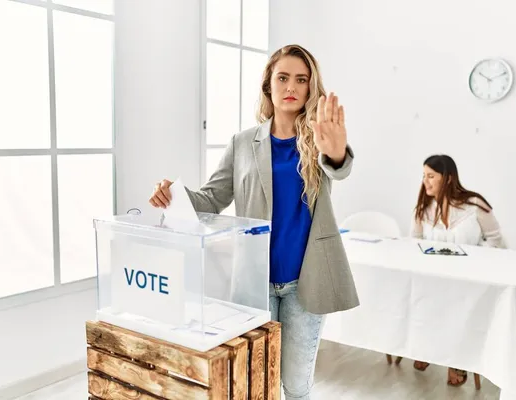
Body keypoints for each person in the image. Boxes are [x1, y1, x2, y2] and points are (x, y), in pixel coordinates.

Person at [149, 44, 359, 399]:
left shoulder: (319, 138)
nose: (291, 86)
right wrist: (175, 193)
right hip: (254, 281)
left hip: (306, 283)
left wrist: (337, 150)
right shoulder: (243, 142)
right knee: (255, 382)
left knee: (295, 384)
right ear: (269, 86)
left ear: (310, 88)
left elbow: (338, 167)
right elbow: (211, 199)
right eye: (283, 77)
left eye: (301, 79)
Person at [410, 154, 506, 386]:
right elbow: (413, 243)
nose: (426, 182)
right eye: (424, 176)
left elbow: (497, 241)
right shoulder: (424, 207)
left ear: (448, 178)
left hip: (469, 278)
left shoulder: (475, 206)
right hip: (434, 276)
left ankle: (459, 361)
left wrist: (474, 258)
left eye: (431, 176)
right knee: (422, 297)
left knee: (459, 304)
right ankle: (427, 349)